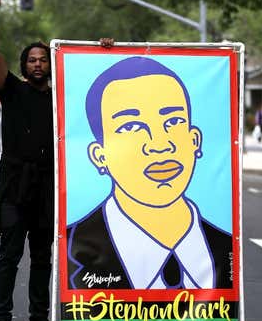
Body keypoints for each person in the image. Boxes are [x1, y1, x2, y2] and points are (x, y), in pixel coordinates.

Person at [67, 56, 232, 290]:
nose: (160, 144)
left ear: (195, 140)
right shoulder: (73, 246)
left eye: (173, 121)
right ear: (99, 155)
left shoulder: (227, 248)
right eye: (131, 127)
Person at [0, 0, 56, 321]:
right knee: (8, 256)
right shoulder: (11, 90)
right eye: (32, 60)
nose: (38, 64)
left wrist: (104, 49)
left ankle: (39, 319)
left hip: (47, 189)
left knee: (42, 258)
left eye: (43, 59)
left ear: (50, 65)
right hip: (15, 188)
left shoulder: (62, 100)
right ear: (24, 66)